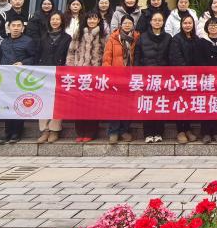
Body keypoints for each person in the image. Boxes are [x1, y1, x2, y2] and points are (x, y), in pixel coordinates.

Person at [67, 11, 106, 143]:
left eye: (94, 19)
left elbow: (106, 55)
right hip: (79, 74)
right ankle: (80, 131)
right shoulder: (78, 34)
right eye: (89, 18)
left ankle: (91, 132)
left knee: (93, 104)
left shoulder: (103, 35)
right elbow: (71, 53)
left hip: (96, 75)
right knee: (79, 104)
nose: (91, 21)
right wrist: (70, 68)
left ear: (99, 20)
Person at [0, 18, 38, 144]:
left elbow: (34, 58)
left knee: (19, 104)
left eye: (18, 26)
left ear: (23, 28)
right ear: (9, 27)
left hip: (21, 78)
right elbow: (0, 56)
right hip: (6, 78)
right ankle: (7, 132)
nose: (15, 28)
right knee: (7, 104)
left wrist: (23, 62)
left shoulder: (28, 41)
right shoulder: (4, 41)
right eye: (13, 25)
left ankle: (16, 132)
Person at [102, 13, 140, 144]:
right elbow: (107, 58)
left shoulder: (137, 38)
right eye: (125, 23)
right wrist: (108, 75)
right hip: (116, 77)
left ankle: (124, 130)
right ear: (120, 25)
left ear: (133, 25)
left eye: (130, 23)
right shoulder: (113, 38)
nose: (127, 25)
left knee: (128, 104)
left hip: (131, 77)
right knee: (114, 104)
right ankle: (113, 131)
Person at [135, 10, 171, 143]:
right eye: (155, 20)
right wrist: (138, 73)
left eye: (160, 20)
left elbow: (170, 57)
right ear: (150, 22)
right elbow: (137, 56)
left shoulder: (168, 37)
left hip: (162, 77)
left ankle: (159, 132)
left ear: (163, 22)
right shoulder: (142, 37)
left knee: (160, 104)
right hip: (147, 76)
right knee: (148, 104)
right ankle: (148, 133)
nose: (157, 22)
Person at [36, 11, 70, 144]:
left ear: (62, 21)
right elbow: (37, 54)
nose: (55, 21)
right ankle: (44, 130)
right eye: (52, 19)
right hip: (44, 72)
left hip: (60, 73)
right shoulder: (43, 37)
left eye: (57, 19)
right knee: (44, 100)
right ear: (49, 21)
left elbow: (68, 56)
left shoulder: (67, 38)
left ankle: (55, 129)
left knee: (58, 101)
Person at [168, 15, 200, 144]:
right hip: (180, 77)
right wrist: (186, 72)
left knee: (188, 104)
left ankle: (187, 129)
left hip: (193, 79)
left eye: (190, 23)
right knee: (180, 103)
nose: (187, 25)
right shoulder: (176, 39)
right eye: (185, 23)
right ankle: (180, 130)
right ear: (181, 24)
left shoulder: (196, 39)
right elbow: (176, 58)